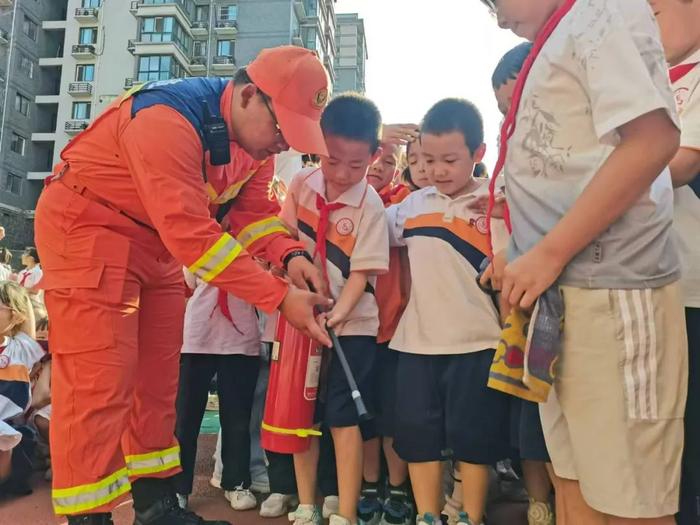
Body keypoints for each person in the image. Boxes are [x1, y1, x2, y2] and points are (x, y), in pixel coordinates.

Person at [35, 46, 333, 525]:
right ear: (249, 96)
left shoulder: (252, 148)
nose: (283, 146)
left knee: (158, 381)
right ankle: (88, 516)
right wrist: (279, 297)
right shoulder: (165, 121)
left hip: (154, 246)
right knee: (99, 379)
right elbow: (195, 237)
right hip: (89, 229)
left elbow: (253, 217)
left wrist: (291, 255)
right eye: (282, 130)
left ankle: (157, 505)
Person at [481, 0, 686, 523]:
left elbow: (654, 138)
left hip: (613, 291)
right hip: (562, 296)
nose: (498, 18)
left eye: (494, 2)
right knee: (571, 477)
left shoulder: (606, 9)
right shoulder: (563, 31)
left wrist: (546, 252)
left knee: (630, 495)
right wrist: (524, 249)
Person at [386, 98, 511, 525]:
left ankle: (470, 517)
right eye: (428, 159)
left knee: (474, 440)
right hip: (416, 344)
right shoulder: (411, 206)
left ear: (478, 154)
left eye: (450, 160)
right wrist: (375, 142)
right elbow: (362, 222)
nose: (438, 171)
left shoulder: (497, 202)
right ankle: (427, 515)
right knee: (418, 439)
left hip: (478, 342)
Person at [281, 93, 390, 525]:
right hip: (299, 322)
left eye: (356, 166)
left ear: (375, 157)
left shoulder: (372, 206)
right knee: (300, 413)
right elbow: (283, 243)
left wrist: (336, 317)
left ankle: (345, 511)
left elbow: (362, 276)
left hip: (353, 326)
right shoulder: (300, 186)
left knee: (345, 420)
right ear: (318, 145)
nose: (343, 174)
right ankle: (307, 502)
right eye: (333, 161)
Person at [490, 41, 555, 525]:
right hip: (527, 301)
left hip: (573, 284)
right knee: (532, 405)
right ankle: (540, 503)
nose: (511, 116)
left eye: (515, 102)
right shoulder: (512, 144)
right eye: (503, 109)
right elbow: (502, 212)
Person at [651, 2, 700, 523]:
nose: (647, 22)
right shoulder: (652, 79)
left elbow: (683, 164)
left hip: (693, 285)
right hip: (656, 285)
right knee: (671, 432)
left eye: (656, 10)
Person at [174, 269, 262, 512]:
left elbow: (261, 277)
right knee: (185, 419)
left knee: (237, 418)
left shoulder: (251, 235)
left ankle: (237, 483)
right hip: (199, 334)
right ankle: (178, 487)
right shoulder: (200, 232)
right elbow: (189, 279)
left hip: (241, 335)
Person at [358, 143, 414, 525]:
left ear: (400, 171)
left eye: (390, 161)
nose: (380, 166)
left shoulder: (406, 205)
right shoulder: (349, 201)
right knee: (363, 415)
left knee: (394, 416)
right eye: (375, 158)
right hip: (356, 328)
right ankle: (367, 484)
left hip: (397, 329)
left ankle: (396, 489)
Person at [0, 282, 43, 497]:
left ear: (15, 317)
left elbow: (25, 312)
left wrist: (14, 287)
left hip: (10, 431)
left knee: (7, 444)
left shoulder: (19, 349)